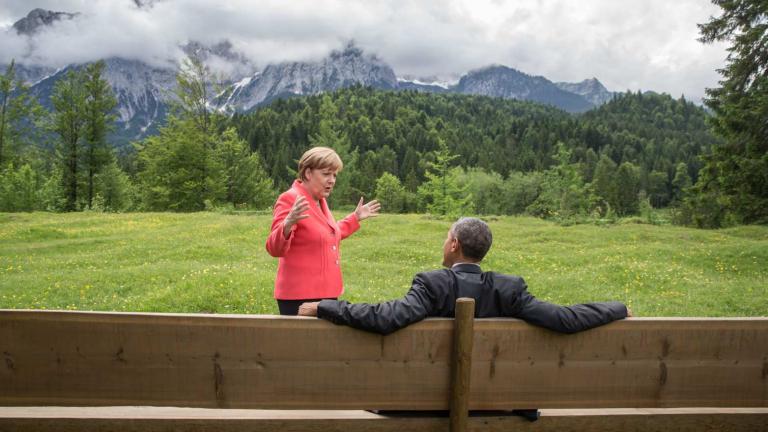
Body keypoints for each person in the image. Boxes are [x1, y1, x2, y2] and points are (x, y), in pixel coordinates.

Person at [298, 217, 631, 334]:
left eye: (446, 237)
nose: (444, 243)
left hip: (428, 403)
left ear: (454, 244)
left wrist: (324, 306)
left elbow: (386, 318)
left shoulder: (432, 285)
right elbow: (565, 318)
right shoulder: (508, 290)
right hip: (499, 402)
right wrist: (617, 309)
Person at [266, 146, 380, 315]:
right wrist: (288, 223)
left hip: (327, 294)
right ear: (308, 173)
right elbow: (274, 248)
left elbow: (326, 234)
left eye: (334, 175)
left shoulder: (320, 201)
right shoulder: (291, 198)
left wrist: (355, 218)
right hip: (299, 297)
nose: (332, 180)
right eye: (326, 174)